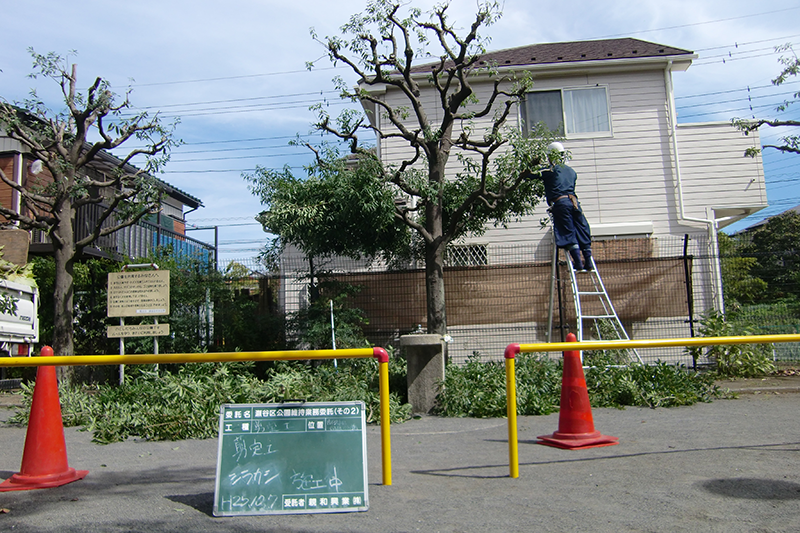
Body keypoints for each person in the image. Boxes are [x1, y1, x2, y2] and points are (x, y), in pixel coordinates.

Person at [523, 142, 594, 271]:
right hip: (575, 203)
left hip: (561, 204)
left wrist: (527, 165)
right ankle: (588, 261)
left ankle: (578, 263)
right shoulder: (571, 171)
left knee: (567, 231)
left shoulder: (550, 171)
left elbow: (529, 175)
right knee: (582, 229)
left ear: (551, 156)